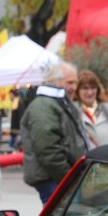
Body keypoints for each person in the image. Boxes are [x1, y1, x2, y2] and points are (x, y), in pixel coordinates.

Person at [21, 63, 88, 203]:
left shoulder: (56, 102)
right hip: (55, 180)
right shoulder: (44, 105)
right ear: (54, 81)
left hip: (58, 179)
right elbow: (48, 150)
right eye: (70, 82)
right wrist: (69, 178)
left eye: (76, 83)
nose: (74, 87)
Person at [74, 69, 108, 147]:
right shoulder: (71, 113)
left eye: (93, 88)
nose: (90, 92)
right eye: (85, 88)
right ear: (77, 90)